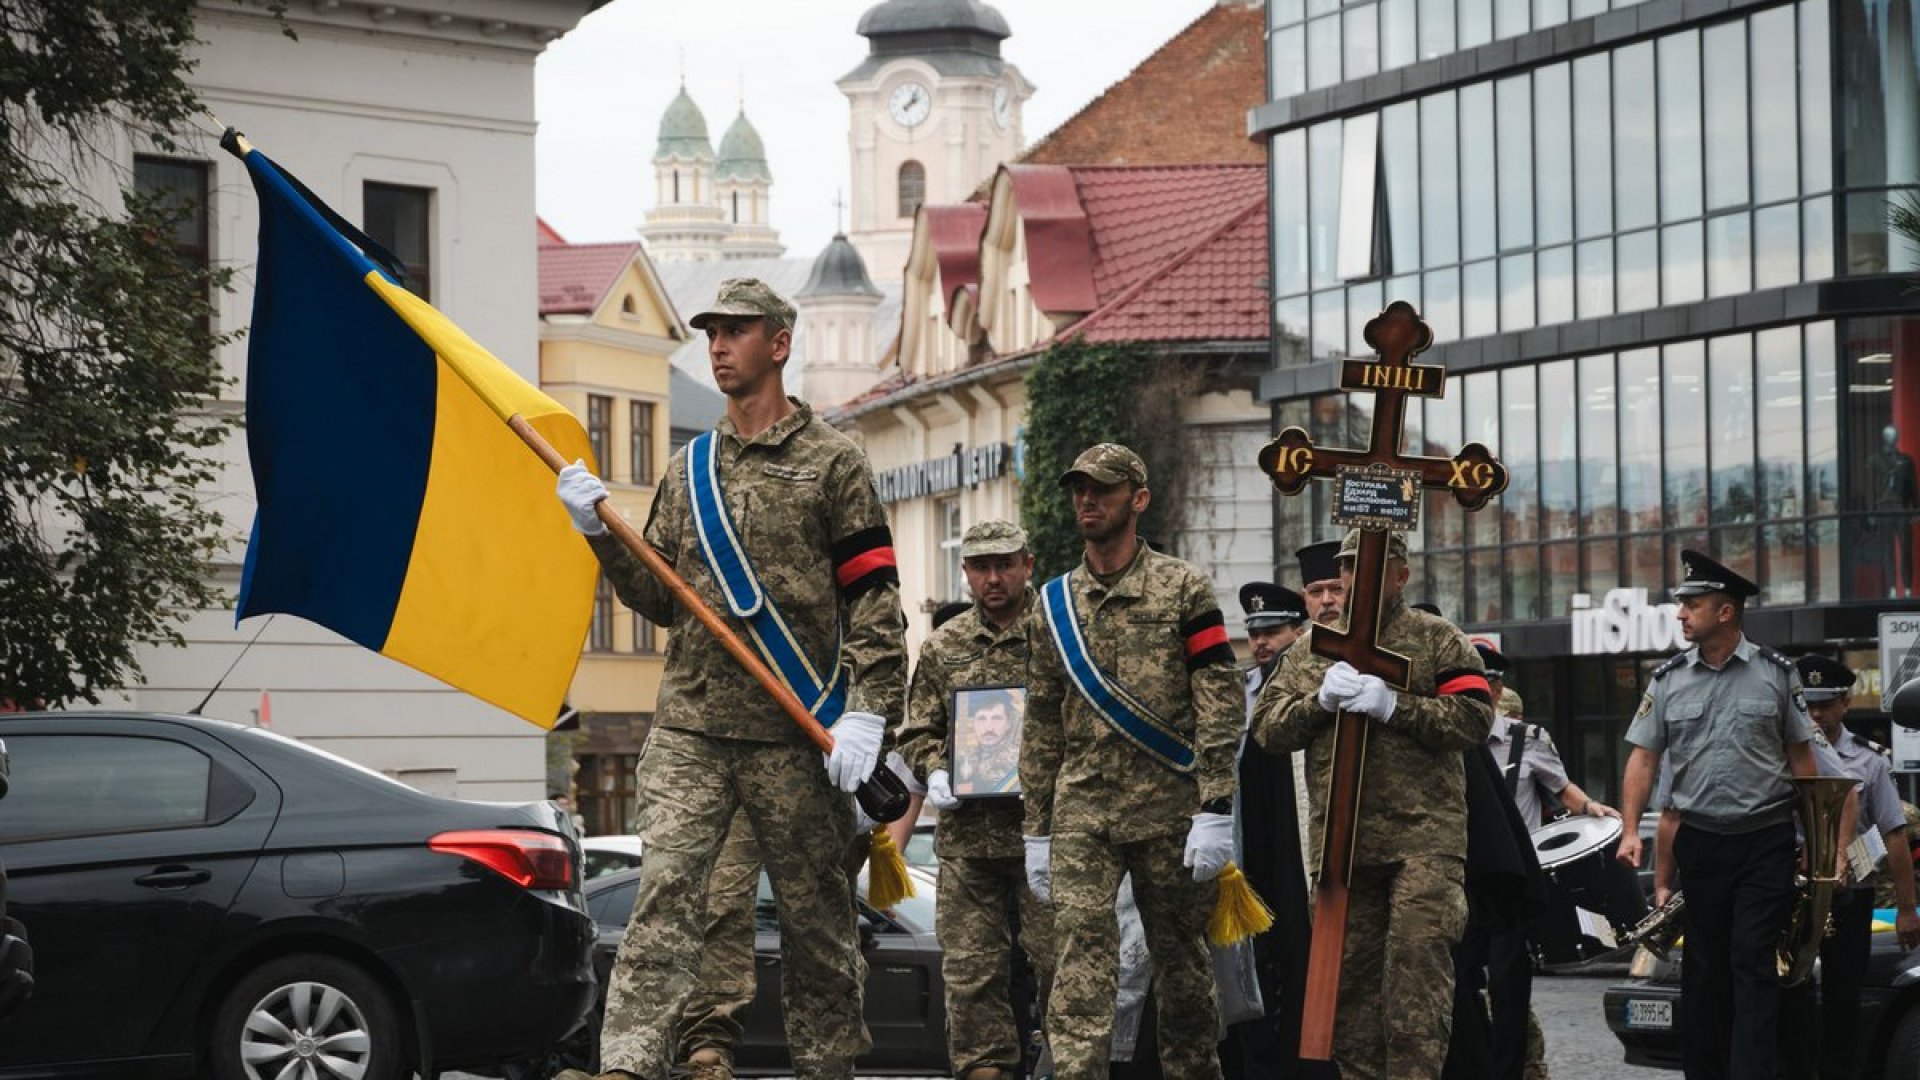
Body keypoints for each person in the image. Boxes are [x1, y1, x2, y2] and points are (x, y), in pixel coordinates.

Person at [552, 278, 907, 1080]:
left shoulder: (834, 464)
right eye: (711, 332)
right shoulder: (690, 468)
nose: (717, 346)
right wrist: (597, 532)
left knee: (818, 929)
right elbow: (658, 598)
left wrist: (870, 714)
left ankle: (828, 1070)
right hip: (693, 730)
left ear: (778, 343)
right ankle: (629, 1068)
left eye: (736, 332)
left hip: (795, 737)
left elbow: (876, 602)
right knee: (665, 902)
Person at [1020, 443, 1242, 1080]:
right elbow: (1039, 721)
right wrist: (1037, 827)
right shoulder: (1053, 603)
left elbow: (1218, 699)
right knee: (1080, 963)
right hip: (1083, 810)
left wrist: (1216, 806)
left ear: (1137, 500)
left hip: (1169, 808)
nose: (1088, 501)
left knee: (1183, 967)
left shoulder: (1182, 588)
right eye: (1079, 490)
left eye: (1104, 490)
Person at [1252, 528, 1493, 1080]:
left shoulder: (1436, 639)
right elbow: (1266, 728)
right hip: (1342, 849)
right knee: (1349, 997)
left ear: (1401, 575)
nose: (1353, 579)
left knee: (1416, 988)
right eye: (1347, 567)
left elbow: (1475, 719)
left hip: (1422, 842)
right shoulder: (1312, 647)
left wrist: (1396, 706)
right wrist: (1318, 703)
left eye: (1369, 567)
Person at [1615, 550, 1824, 1080]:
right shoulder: (1666, 681)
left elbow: (1804, 761)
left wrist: (1818, 842)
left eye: (1692, 604)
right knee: (1704, 969)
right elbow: (1643, 758)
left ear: (1726, 612)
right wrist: (1628, 829)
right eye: (1681, 604)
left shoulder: (1778, 675)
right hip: (1702, 842)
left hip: (1765, 838)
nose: (1680, 614)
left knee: (1751, 959)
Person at [896, 519, 1052, 1080]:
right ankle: (986, 1071)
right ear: (965, 573)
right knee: (970, 972)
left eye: (1004, 565)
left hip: (1048, 835)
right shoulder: (945, 646)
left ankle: (1066, 1065)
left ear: (1027, 565)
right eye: (980, 567)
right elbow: (917, 732)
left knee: (1064, 964)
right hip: (970, 840)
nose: (993, 578)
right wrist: (937, 773)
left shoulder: (1058, 630)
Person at [1782, 654, 1920, 1080]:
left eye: (1826, 704)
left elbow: (1894, 835)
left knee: (1844, 1000)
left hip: (1848, 897)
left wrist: (1905, 909)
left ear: (1845, 703)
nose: (1817, 714)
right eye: (1809, 705)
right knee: (1790, 997)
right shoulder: (1781, 752)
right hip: (1789, 897)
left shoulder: (1870, 761)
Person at [1220, 581, 1312, 1080]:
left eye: (1273, 631)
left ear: (1298, 631)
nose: (1261, 642)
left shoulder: (1305, 679)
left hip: (1293, 836)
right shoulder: (1238, 688)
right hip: (1241, 833)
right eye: (1255, 632)